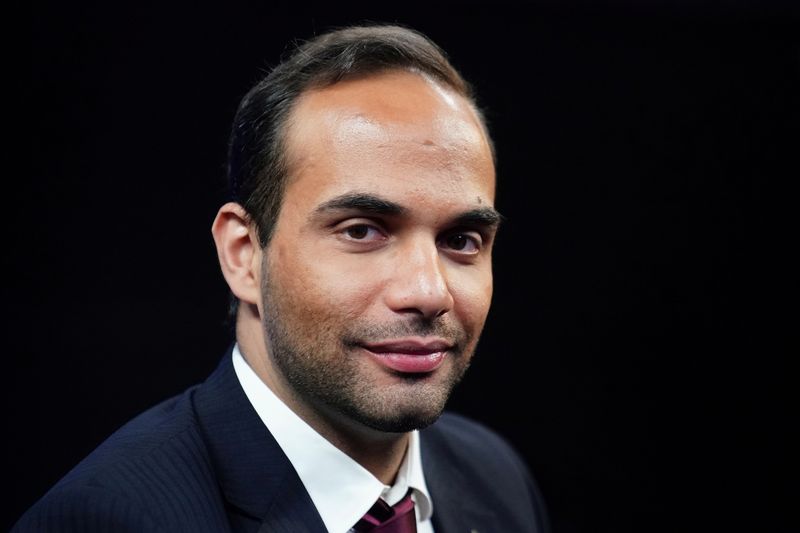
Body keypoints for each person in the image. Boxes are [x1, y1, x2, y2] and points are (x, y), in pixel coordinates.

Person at [15, 24, 549, 532]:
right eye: (362, 231)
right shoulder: (106, 520)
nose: (429, 292)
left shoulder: (493, 476)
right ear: (244, 255)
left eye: (461, 240)